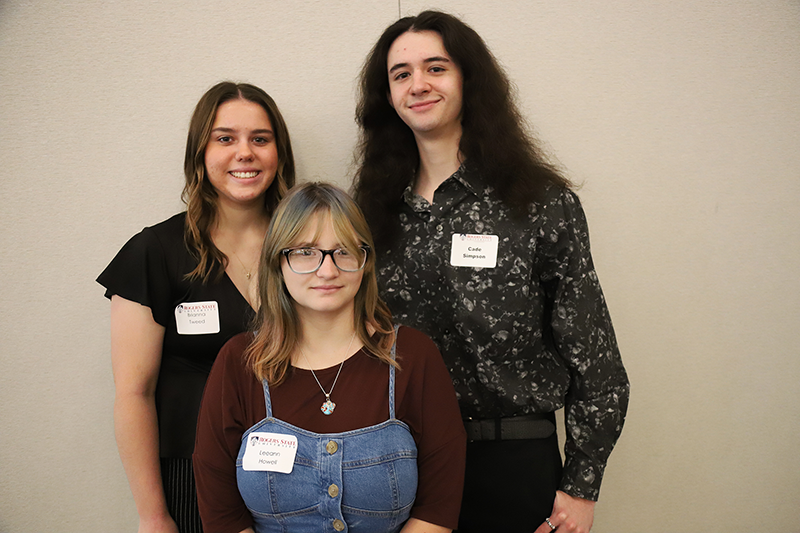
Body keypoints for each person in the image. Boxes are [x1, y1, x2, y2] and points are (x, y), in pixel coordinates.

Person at [353, 11, 630, 533]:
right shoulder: (368, 215)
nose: (419, 84)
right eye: (401, 73)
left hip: (515, 463)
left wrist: (581, 486)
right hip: (401, 467)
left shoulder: (538, 204)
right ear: (386, 95)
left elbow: (597, 363)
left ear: (468, 79)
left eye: (436, 67)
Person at [193, 182, 466, 533]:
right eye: (306, 252)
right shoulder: (239, 363)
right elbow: (222, 516)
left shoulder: (414, 357)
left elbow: (438, 509)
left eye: (344, 251)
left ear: (365, 262)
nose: (327, 270)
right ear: (278, 261)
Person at [97, 81, 296, 533]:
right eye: (225, 138)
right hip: (192, 476)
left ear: (278, 154)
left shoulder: (306, 248)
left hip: (299, 469)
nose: (244, 152)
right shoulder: (156, 251)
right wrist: (153, 516)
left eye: (259, 139)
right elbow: (133, 394)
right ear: (200, 153)